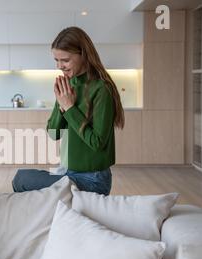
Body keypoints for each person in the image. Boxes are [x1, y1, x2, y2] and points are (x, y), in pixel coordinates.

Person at [12, 26, 124, 195]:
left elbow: (97, 142)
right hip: (68, 172)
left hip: (93, 179)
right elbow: (53, 133)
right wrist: (61, 103)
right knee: (21, 177)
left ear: (84, 55)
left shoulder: (102, 89)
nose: (59, 66)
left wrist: (70, 107)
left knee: (22, 180)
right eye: (56, 60)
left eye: (65, 60)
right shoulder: (68, 85)